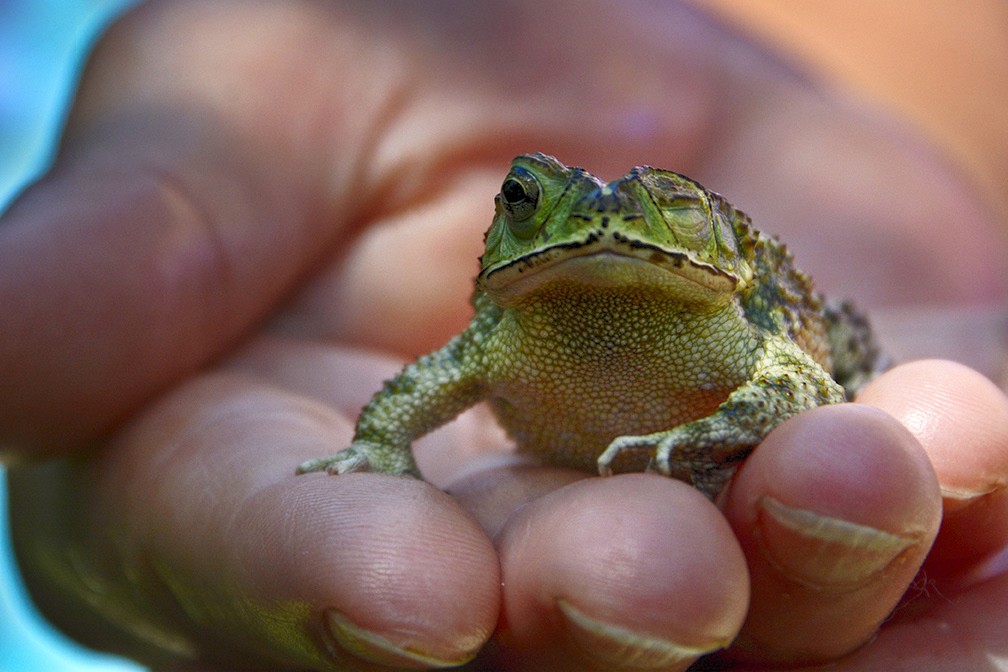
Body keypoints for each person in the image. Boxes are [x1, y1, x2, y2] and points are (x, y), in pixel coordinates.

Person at [3, 1, 1007, 669]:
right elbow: (412, 393)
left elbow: (794, 378)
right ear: (505, 228)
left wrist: (706, 439)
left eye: (673, 210)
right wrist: (375, 451)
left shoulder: (726, 324)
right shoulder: (509, 333)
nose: (608, 230)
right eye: (533, 202)